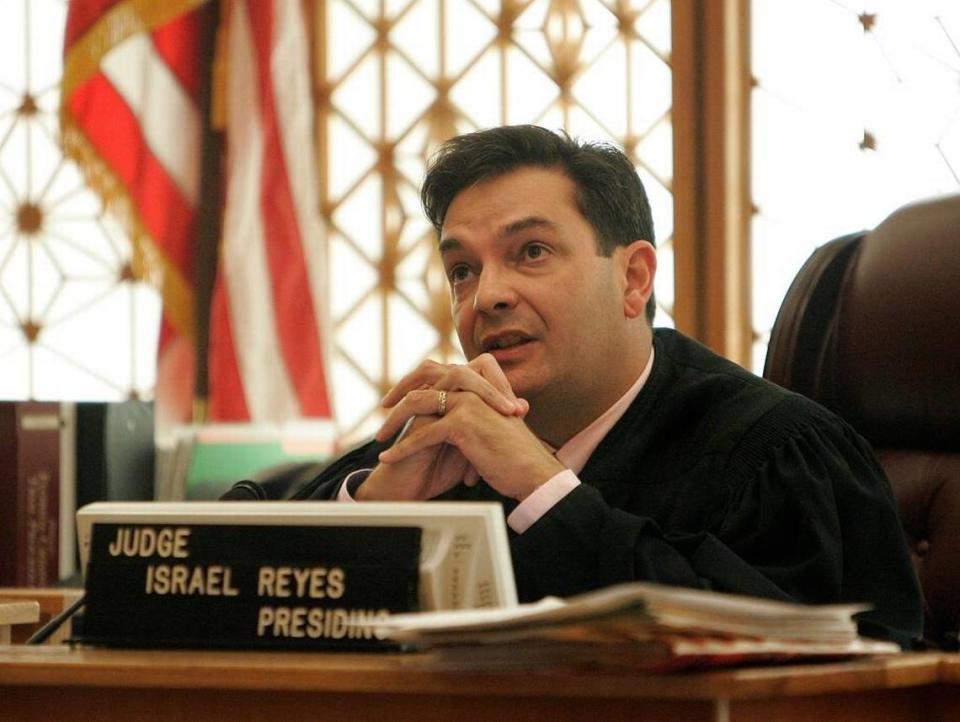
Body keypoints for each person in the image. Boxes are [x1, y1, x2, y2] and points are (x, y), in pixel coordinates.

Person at [299, 125, 923, 647]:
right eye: (462, 269)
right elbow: (212, 580)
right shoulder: (446, 438)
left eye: (532, 251)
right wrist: (373, 510)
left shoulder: (775, 453)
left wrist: (545, 491)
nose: (487, 296)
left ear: (633, 279)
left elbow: (819, 667)